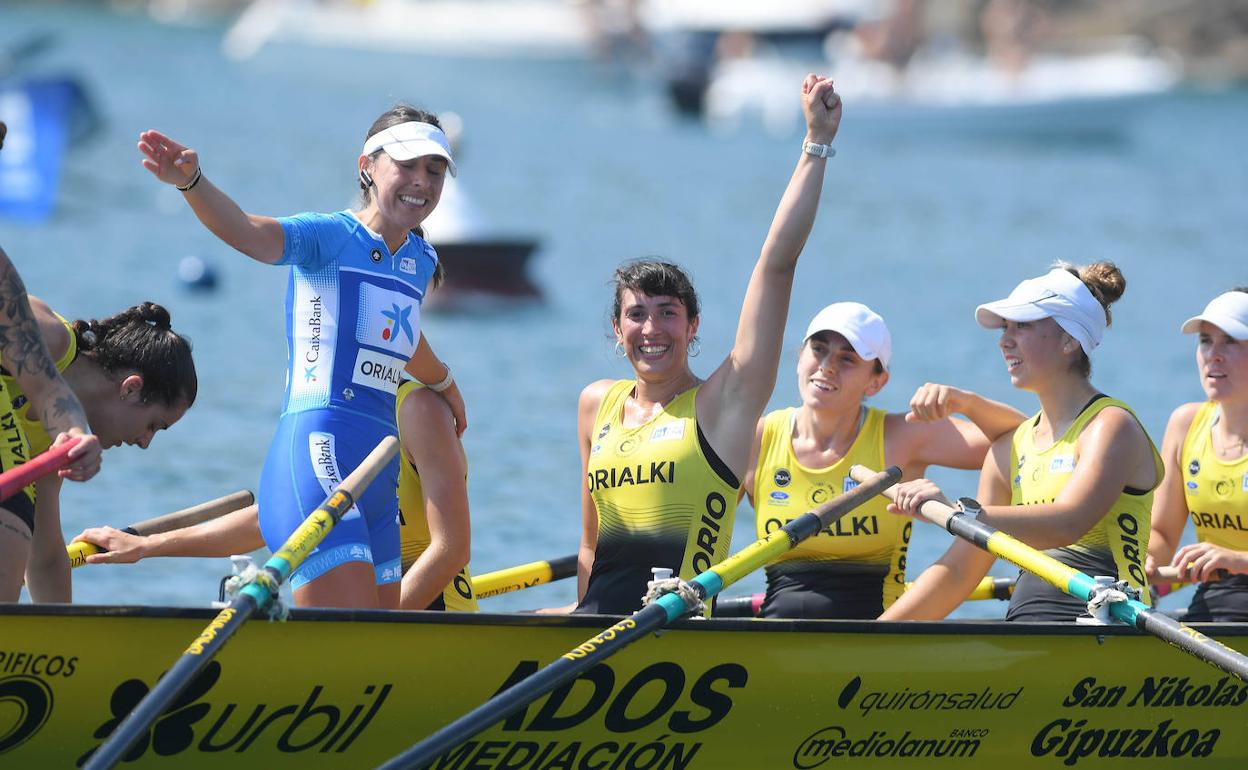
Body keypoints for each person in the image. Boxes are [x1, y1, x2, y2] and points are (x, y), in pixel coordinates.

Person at [137, 106, 466, 608]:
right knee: (347, 652)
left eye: (434, 170)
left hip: (379, 477)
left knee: (369, 659)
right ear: (368, 166)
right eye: (406, 165)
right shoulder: (330, 237)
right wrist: (193, 183)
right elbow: (249, 232)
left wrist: (445, 386)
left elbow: (402, 333)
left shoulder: (421, 262)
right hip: (319, 453)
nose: (421, 181)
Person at [569, 74, 841, 616]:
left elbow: (777, 265)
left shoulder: (724, 404)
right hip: (597, 633)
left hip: (679, 633)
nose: (651, 330)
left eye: (668, 314)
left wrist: (817, 145)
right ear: (617, 329)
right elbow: (590, 548)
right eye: (636, 315)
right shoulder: (597, 403)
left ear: (693, 327)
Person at [881, 263, 1162, 622]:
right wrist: (875, 637)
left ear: (1069, 340)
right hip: (1027, 628)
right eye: (1004, 328)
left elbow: (1067, 523)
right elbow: (961, 570)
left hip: (1109, 625)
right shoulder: (1009, 448)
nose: (1004, 340)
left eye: (1022, 326)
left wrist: (956, 512)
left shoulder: (1110, 426)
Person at [73, 380, 475, 611]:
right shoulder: (338, 409)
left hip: (429, 618)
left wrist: (373, 630)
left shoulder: (418, 408)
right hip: (363, 622)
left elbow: (451, 550)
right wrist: (147, 546)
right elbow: (281, 521)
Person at [742, 302, 1025, 619]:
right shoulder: (757, 438)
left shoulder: (903, 436)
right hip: (773, 635)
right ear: (800, 358)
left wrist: (965, 402)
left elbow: (1025, 442)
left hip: (877, 638)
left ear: (877, 382)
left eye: (847, 359)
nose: (827, 366)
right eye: (818, 349)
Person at [2, 299, 193, 602]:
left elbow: (47, 562)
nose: (144, 442)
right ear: (130, 388)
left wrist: (62, 647)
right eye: (153, 425)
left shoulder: (55, 446)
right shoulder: (50, 336)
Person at [1147, 289, 1248, 621]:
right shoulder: (1185, 424)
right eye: (1205, 341)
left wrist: (1237, 559)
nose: (1213, 355)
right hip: (1216, 601)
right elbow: (1162, 532)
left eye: (1230, 341)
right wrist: (1143, 559)